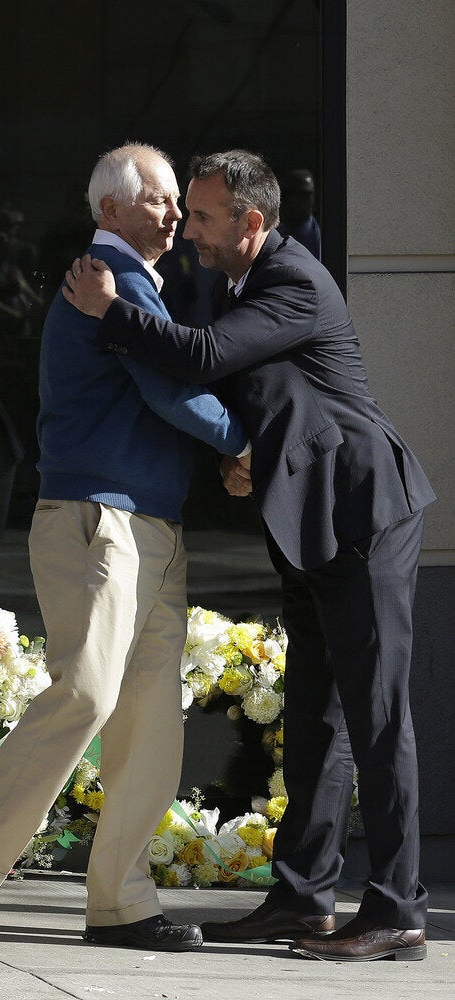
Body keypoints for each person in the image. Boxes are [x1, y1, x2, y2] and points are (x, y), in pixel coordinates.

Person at [62, 148, 435, 963]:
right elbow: (260, 389)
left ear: (251, 223)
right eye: (184, 211)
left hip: (364, 514)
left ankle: (399, 908)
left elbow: (198, 358)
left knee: (375, 715)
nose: (184, 229)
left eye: (199, 217)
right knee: (313, 717)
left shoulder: (291, 279)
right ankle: (303, 899)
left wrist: (106, 310)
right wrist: (244, 453)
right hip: (309, 518)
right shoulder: (233, 281)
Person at [0, 142, 251, 952]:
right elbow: (170, 388)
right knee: (90, 696)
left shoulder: (129, 284)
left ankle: (122, 904)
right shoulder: (115, 283)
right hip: (98, 519)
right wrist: (244, 445)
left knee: (147, 721)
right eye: (160, 198)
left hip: (146, 523)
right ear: (109, 210)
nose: (175, 212)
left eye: (179, 200)